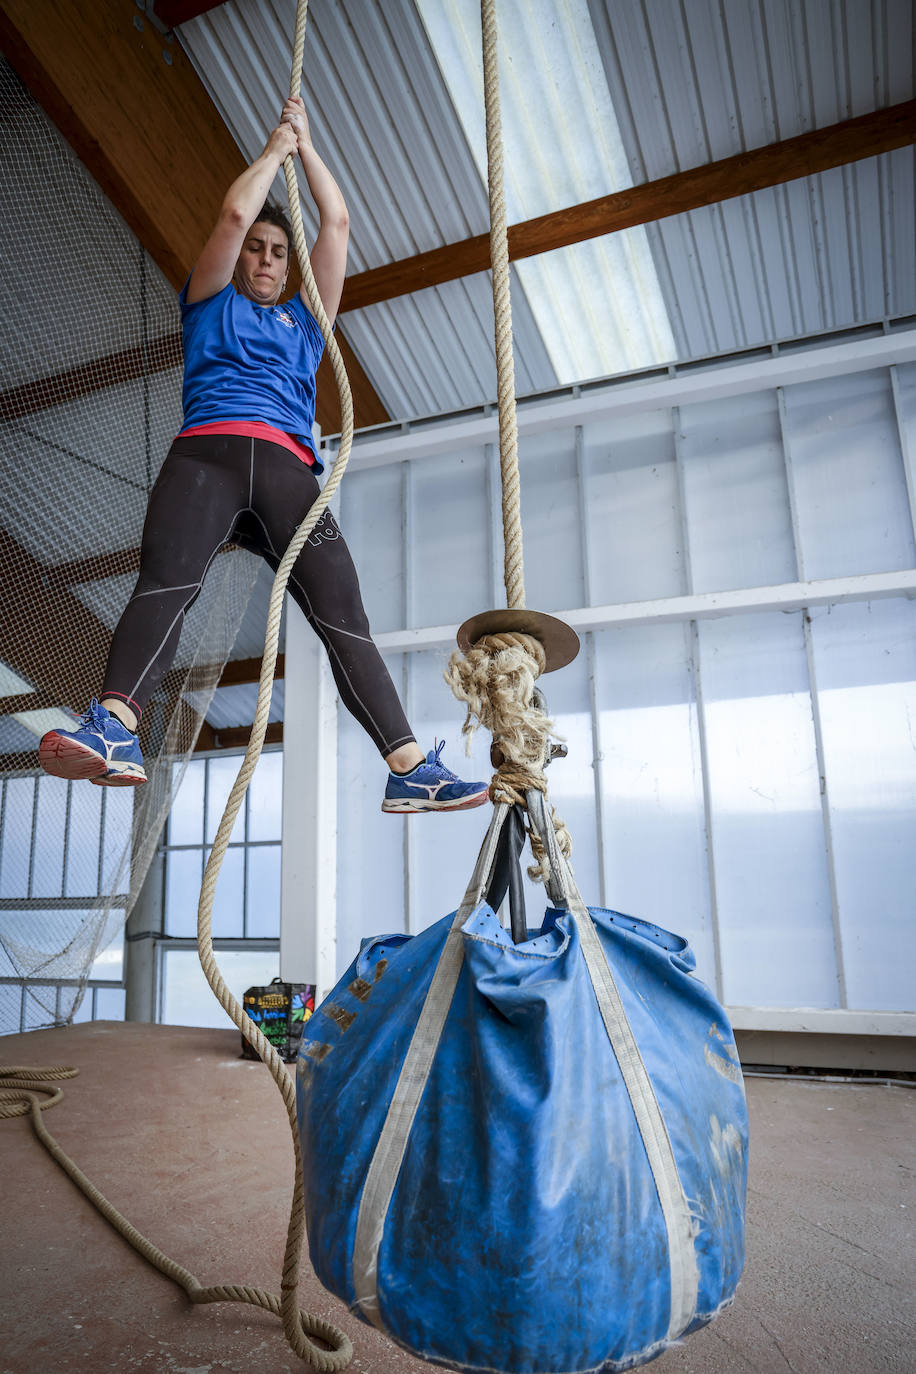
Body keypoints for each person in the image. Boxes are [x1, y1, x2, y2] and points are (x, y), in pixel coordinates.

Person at [40, 98, 487, 815]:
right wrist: (275, 148)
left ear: (291, 266)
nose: (267, 258)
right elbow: (228, 216)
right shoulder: (210, 298)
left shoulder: (309, 327)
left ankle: (408, 767)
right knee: (167, 584)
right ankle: (117, 726)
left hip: (286, 474)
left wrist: (307, 149)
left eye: (279, 252)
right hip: (206, 460)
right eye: (259, 247)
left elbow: (336, 224)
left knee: (345, 614)